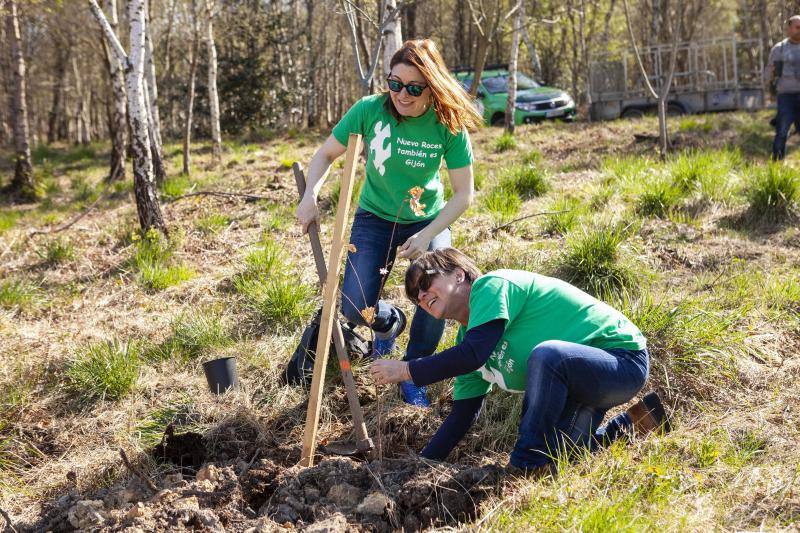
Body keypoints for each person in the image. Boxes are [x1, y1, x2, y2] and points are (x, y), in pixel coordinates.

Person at [296, 40, 482, 406]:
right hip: (374, 217)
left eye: (413, 88)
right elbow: (325, 154)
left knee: (439, 295)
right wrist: (309, 196)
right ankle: (389, 322)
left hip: (427, 218)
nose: (401, 94)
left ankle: (414, 371)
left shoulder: (448, 124)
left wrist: (427, 235)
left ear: (432, 87)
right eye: (394, 83)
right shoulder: (369, 110)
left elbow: (464, 194)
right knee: (353, 306)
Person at [370, 248, 670, 474]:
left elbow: (473, 354)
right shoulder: (467, 344)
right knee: (563, 457)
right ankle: (637, 422)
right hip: (582, 384)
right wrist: (422, 464)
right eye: (415, 296)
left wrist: (407, 369)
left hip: (621, 360)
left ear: (458, 274)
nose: (422, 294)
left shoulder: (490, 287)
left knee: (547, 354)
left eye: (426, 282)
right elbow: (462, 415)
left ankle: (525, 462)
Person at [768, 15, 800, 160]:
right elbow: (768, 74)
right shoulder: (778, 49)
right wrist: (772, 72)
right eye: (797, 27)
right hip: (786, 96)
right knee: (781, 132)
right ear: (789, 28)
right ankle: (777, 169)